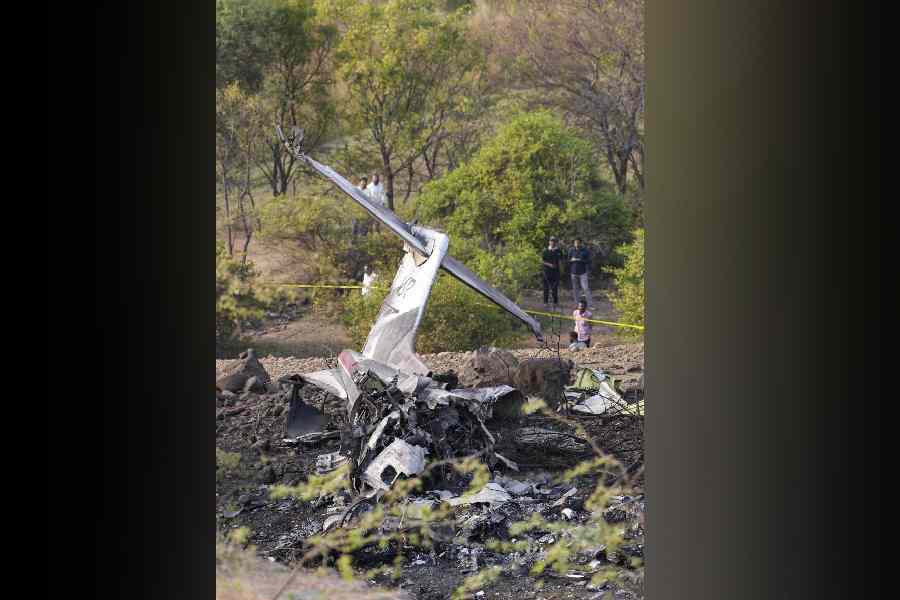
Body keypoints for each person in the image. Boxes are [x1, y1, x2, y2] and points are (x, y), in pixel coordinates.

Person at [568, 238, 593, 307]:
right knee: (575, 289)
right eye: (575, 242)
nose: (576, 244)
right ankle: (577, 304)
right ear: (574, 243)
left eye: (578, 242)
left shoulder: (585, 251)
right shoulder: (571, 250)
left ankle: (590, 305)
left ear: (580, 243)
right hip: (573, 273)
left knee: (585, 288)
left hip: (583, 273)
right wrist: (571, 260)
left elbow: (588, 261)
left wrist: (580, 260)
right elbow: (568, 260)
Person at [541, 236, 562, 307]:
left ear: (556, 242)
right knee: (546, 288)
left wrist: (561, 269)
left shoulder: (558, 251)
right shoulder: (545, 250)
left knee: (554, 288)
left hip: (556, 272)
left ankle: (555, 302)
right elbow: (542, 261)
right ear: (549, 242)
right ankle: (545, 302)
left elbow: (561, 260)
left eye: (554, 241)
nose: (552, 242)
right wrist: (549, 264)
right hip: (546, 272)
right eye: (551, 241)